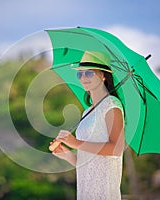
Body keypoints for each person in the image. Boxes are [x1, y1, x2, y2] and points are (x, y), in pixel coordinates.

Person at [49, 51, 125, 200]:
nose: (83, 78)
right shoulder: (87, 112)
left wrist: (76, 143)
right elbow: (88, 161)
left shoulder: (112, 105)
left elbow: (116, 149)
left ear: (103, 75)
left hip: (104, 192)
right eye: (80, 74)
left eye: (89, 73)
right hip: (85, 190)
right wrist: (68, 155)